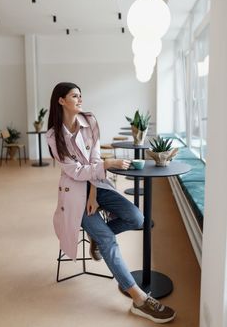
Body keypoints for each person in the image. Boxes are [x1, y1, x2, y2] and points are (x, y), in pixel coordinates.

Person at [46, 82, 176, 324]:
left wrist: (94, 194)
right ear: (61, 101)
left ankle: (98, 236)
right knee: (109, 240)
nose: (80, 99)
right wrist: (107, 165)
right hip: (74, 193)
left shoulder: (90, 120)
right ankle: (139, 299)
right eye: (75, 96)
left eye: (81, 95)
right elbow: (74, 171)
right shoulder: (53, 136)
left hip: (96, 186)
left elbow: (94, 158)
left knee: (137, 218)